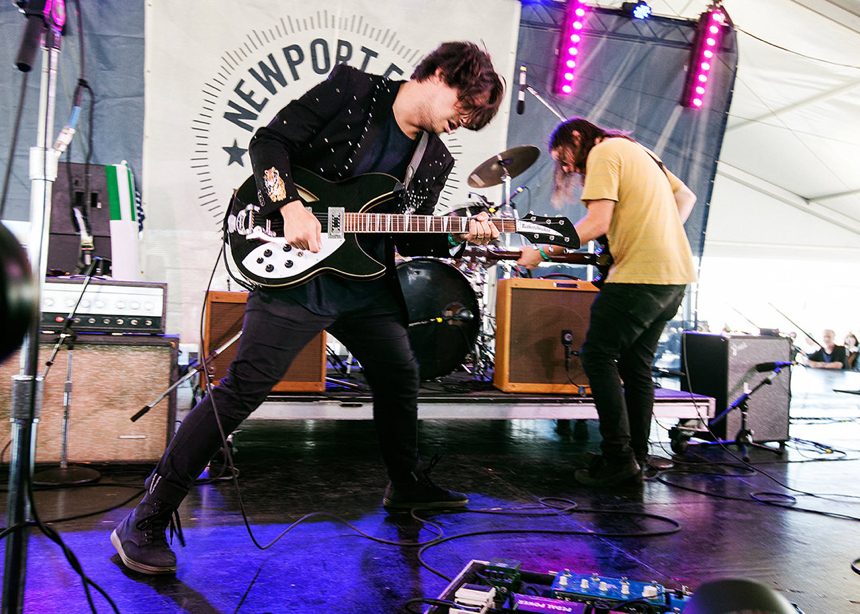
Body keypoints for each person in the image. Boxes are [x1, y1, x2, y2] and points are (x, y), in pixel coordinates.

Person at [111, 41, 505, 575]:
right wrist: (289, 204)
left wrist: (465, 233)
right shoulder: (354, 89)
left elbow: (411, 238)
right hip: (296, 273)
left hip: (365, 283)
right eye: (464, 107)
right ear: (438, 74)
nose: (462, 123)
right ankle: (147, 516)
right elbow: (269, 141)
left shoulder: (433, 159)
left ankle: (405, 484)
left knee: (399, 374)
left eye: (472, 120)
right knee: (243, 389)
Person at [517, 118, 697, 487]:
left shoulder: (602, 151)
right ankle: (635, 457)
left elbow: (597, 223)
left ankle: (618, 458)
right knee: (636, 366)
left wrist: (540, 251)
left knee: (598, 355)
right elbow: (686, 197)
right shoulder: (641, 152)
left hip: (640, 277)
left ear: (578, 138)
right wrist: (658, 232)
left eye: (564, 158)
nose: (566, 168)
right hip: (675, 276)